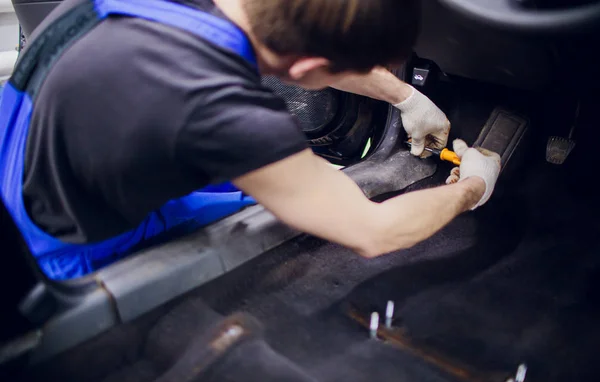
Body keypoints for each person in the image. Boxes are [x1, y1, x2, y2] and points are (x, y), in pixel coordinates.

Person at [0, 0, 500, 280]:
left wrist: (406, 99)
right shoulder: (220, 107)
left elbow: (310, 54)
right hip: (61, 253)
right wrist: (472, 187)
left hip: (32, 160)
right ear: (306, 71)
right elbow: (373, 232)